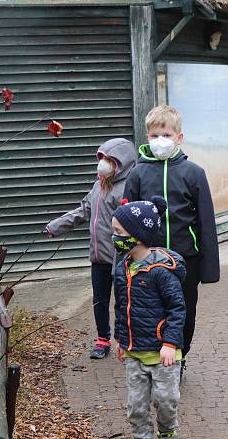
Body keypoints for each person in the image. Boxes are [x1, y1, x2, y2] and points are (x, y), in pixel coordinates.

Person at [123, 105, 220, 380]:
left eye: (166, 134)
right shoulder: (137, 174)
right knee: (151, 312)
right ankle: (154, 359)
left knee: (184, 313)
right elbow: (125, 220)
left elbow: (206, 222)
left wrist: (208, 268)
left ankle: (180, 355)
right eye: (154, 135)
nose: (159, 140)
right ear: (146, 136)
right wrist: (124, 261)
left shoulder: (194, 173)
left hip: (185, 260)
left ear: (179, 137)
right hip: (146, 261)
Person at [45, 138, 136, 359]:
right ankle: (102, 339)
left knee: (123, 301)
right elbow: (83, 210)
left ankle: (122, 340)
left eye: (109, 160)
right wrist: (55, 227)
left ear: (121, 163)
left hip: (119, 257)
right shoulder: (98, 186)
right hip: (98, 257)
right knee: (99, 300)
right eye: (102, 158)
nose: (102, 164)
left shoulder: (126, 189)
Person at [112, 197, 186, 439]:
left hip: (162, 352)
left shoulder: (162, 272)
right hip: (134, 351)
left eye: (118, 232)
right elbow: (121, 306)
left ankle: (167, 431)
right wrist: (120, 340)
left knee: (165, 401)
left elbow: (177, 309)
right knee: (136, 407)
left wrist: (169, 343)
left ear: (137, 235)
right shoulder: (122, 268)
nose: (114, 237)